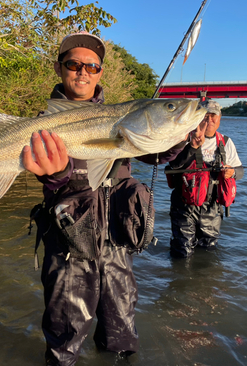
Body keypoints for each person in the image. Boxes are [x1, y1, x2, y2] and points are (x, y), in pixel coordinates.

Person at [22, 32, 188, 365]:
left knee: (121, 334)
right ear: (59, 68)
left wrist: (179, 139)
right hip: (69, 244)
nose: (83, 72)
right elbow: (51, 177)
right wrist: (55, 174)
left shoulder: (123, 117)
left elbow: (155, 154)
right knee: (64, 339)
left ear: (100, 73)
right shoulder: (42, 125)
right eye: (73, 64)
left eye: (92, 66)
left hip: (116, 242)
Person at [166, 100, 244, 258]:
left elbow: (240, 171)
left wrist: (232, 173)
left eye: (213, 116)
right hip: (184, 207)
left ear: (219, 118)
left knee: (208, 253)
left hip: (212, 209)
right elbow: (174, 165)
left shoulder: (226, 143)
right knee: (182, 252)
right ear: (197, 118)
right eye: (205, 115)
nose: (209, 120)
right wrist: (192, 146)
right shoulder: (184, 137)